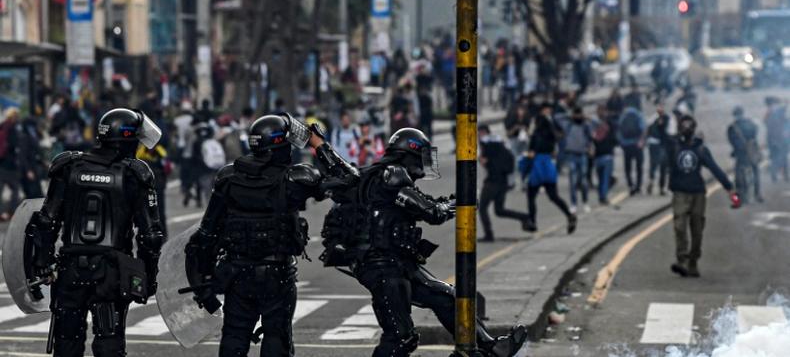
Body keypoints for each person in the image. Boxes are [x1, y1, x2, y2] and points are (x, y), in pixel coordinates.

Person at [319, 128, 528, 357]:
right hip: (381, 265)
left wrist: (318, 143)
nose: (424, 164)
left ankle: (491, 347)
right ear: (411, 154)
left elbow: (337, 164)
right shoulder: (393, 175)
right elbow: (432, 212)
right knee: (400, 337)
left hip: (394, 262)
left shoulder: (370, 176)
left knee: (448, 298)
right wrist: (461, 203)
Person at [185, 114, 358, 357]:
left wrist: (203, 287)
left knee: (234, 335)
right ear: (281, 145)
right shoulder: (295, 178)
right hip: (277, 274)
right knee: (277, 336)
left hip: (236, 272)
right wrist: (319, 145)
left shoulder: (229, 177)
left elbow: (204, 237)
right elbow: (350, 183)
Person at [24, 108, 164, 356]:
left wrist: (42, 264)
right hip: (111, 273)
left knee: (67, 341)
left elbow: (46, 221)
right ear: (129, 139)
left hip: (70, 269)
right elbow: (150, 236)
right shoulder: (135, 174)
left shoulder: (69, 166)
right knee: (109, 341)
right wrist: (148, 275)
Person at [666, 115, 737, 277]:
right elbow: (662, 136)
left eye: (689, 126)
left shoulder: (700, 150)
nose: (686, 129)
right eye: (683, 126)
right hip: (680, 193)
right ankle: (682, 259)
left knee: (697, 229)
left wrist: (729, 188)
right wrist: (662, 119)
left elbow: (715, 169)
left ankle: (693, 261)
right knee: (679, 226)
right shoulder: (674, 147)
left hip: (697, 193)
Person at [525, 103, 577, 234]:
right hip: (548, 165)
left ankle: (533, 221)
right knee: (553, 196)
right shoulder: (551, 133)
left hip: (538, 166)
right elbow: (559, 138)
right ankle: (569, 215)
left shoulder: (536, 134)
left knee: (531, 196)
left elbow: (531, 150)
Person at [478, 125, 530, 242]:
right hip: (503, 181)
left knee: (482, 208)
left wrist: (484, 161)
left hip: (493, 181)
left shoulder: (486, 143)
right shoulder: (500, 142)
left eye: (479, 133)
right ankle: (524, 217)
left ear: (483, 132)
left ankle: (489, 234)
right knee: (499, 210)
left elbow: (486, 160)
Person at [727, 106, 763, 204]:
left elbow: (732, 141)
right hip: (752, 151)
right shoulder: (751, 123)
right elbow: (755, 135)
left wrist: (737, 149)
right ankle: (757, 194)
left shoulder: (733, 127)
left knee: (739, 174)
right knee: (756, 172)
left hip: (741, 154)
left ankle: (742, 196)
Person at [136, 143, 171, 238]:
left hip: (158, 187)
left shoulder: (161, 152)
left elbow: (167, 169)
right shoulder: (141, 153)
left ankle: (162, 234)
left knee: (160, 212)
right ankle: (146, 234)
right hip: (145, 189)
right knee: (145, 213)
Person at [562, 106, 593, 214]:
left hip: (582, 155)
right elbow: (557, 118)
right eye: (576, 114)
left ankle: (585, 202)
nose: (578, 116)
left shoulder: (586, 125)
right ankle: (573, 204)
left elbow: (591, 137)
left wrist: (590, 148)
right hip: (571, 154)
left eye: (580, 114)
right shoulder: (569, 124)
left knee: (583, 181)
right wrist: (569, 115)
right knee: (573, 181)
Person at [592, 104, 618, 205]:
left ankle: (602, 196)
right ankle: (603, 196)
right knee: (604, 178)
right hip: (605, 154)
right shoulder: (609, 124)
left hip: (600, 154)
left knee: (602, 178)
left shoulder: (593, 124)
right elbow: (615, 139)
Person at [618, 104, 646, 195]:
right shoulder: (638, 115)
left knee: (628, 167)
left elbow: (619, 130)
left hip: (627, 144)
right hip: (637, 144)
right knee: (639, 167)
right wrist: (641, 141)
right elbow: (643, 129)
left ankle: (630, 185)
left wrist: (622, 143)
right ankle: (638, 186)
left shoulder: (624, 116)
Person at [646, 103, 671, 196]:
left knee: (657, 165)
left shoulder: (656, 119)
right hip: (659, 145)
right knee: (661, 166)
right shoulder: (660, 119)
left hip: (655, 144)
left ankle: (655, 184)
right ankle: (657, 185)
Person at [0, 107, 20, 221]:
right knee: (15, 189)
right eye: (16, 116)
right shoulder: (11, 128)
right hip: (9, 164)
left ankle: (2, 213)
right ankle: (12, 212)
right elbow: (13, 145)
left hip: (1, 162)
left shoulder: (2, 126)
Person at [764, 97, 789, 183]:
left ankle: (778, 175)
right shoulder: (775, 113)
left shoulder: (771, 113)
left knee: (777, 157)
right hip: (778, 139)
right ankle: (779, 175)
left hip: (775, 139)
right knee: (779, 157)